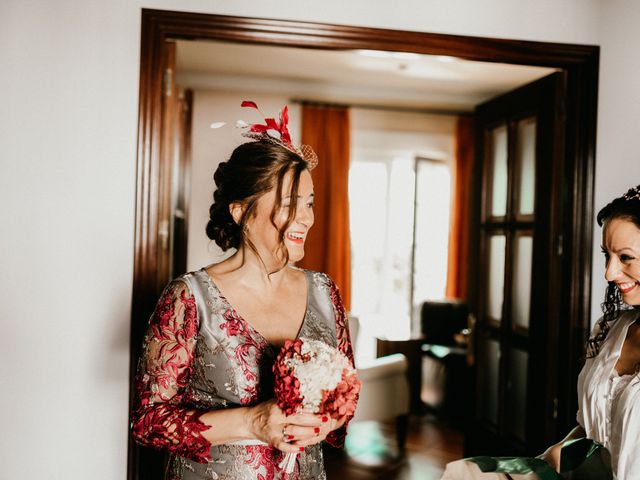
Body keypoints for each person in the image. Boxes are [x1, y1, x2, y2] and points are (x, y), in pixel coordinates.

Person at [130, 104, 356, 479]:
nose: (307, 217)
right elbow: (148, 421)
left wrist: (323, 423)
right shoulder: (189, 298)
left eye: (310, 203)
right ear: (240, 212)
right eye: (289, 204)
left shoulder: (325, 292)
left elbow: (346, 393)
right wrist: (252, 422)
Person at [538, 184, 640, 479]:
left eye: (625, 257)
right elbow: (597, 426)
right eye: (607, 255)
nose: (609, 272)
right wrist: (560, 449)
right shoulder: (609, 329)